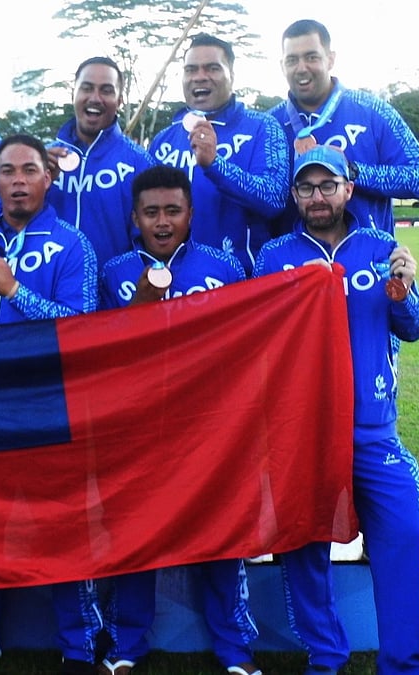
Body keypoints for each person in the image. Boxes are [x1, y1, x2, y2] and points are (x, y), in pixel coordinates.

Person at [256, 146, 419, 675]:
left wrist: (404, 289)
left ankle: (403, 664)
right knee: (304, 543)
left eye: (328, 185)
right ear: (294, 196)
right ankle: (325, 655)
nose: (317, 196)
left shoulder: (382, 247)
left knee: (403, 534)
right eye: (306, 188)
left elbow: (415, 326)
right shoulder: (274, 256)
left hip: (371, 429)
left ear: (349, 190)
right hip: (302, 431)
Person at [0, 134, 98, 675]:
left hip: (46, 408)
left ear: (48, 179)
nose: (18, 180)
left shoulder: (73, 244)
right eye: (6, 171)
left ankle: (78, 645)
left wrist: (14, 292)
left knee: (61, 527)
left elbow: (81, 330)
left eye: (29, 170)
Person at [97, 165, 257, 675]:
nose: (162, 222)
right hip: (139, 431)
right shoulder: (115, 272)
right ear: (134, 218)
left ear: (191, 214)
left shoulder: (224, 268)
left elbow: (251, 343)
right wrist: (138, 310)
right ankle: (126, 647)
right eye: (151, 212)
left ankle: (235, 651)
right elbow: (99, 354)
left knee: (220, 537)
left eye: (172, 210)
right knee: (134, 538)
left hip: (211, 431)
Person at [270, 19, 419, 234]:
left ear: (330, 59)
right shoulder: (269, 124)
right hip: (297, 263)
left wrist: (351, 171)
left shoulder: (374, 111)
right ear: (282, 65)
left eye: (312, 57)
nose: (301, 68)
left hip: (369, 261)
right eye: (292, 60)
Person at [149, 33, 289, 275]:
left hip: (241, 282)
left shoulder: (262, 127)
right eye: (191, 70)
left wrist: (215, 165)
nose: (199, 77)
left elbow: (275, 198)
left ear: (231, 75)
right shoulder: (163, 139)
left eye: (212, 68)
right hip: (176, 283)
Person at [45, 56, 153, 268]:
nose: (95, 98)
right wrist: (39, 183)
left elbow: (151, 241)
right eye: (87, 88)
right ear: (73, 93)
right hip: (45, 293)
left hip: (112, 294)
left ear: (119, 100)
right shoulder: (40, 160)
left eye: (106, 90)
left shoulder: (141, 163)